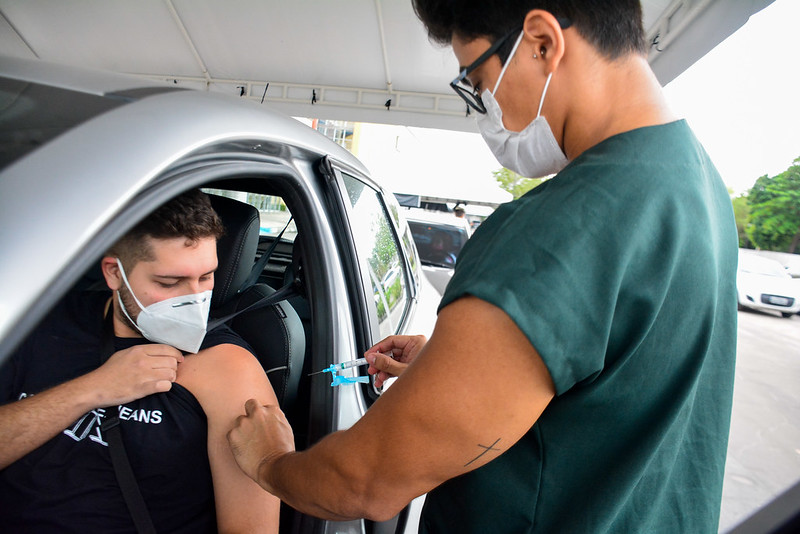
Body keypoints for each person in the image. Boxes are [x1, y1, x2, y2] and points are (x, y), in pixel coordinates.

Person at [227, 1, 738, 532]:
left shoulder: (561, 229)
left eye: (478, 80)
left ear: (542, 41)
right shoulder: (694, 183)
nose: (486, 108)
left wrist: (269, 462)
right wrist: (455, 365)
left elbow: (365, 482)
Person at [0, 190, 279, 533]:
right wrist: (93, 389)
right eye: (169, 282)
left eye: (206, 277)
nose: (194, 299)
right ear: (113, 273)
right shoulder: (42, 323)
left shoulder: (227, 369)